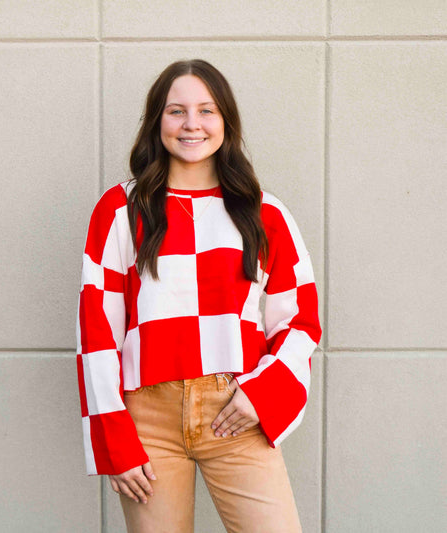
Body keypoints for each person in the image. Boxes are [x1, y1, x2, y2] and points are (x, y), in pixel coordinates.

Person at [76, 59, 322, 533]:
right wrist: (115, 438)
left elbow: (299, 321)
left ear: (226, 122)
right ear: (157, 122)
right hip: (147, 419)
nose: (192, 124)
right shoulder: (120, 210)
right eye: (176, 111)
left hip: (235, 410)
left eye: (207, 110)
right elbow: (97, 331)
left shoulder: (264, 213)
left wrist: (262, 395)